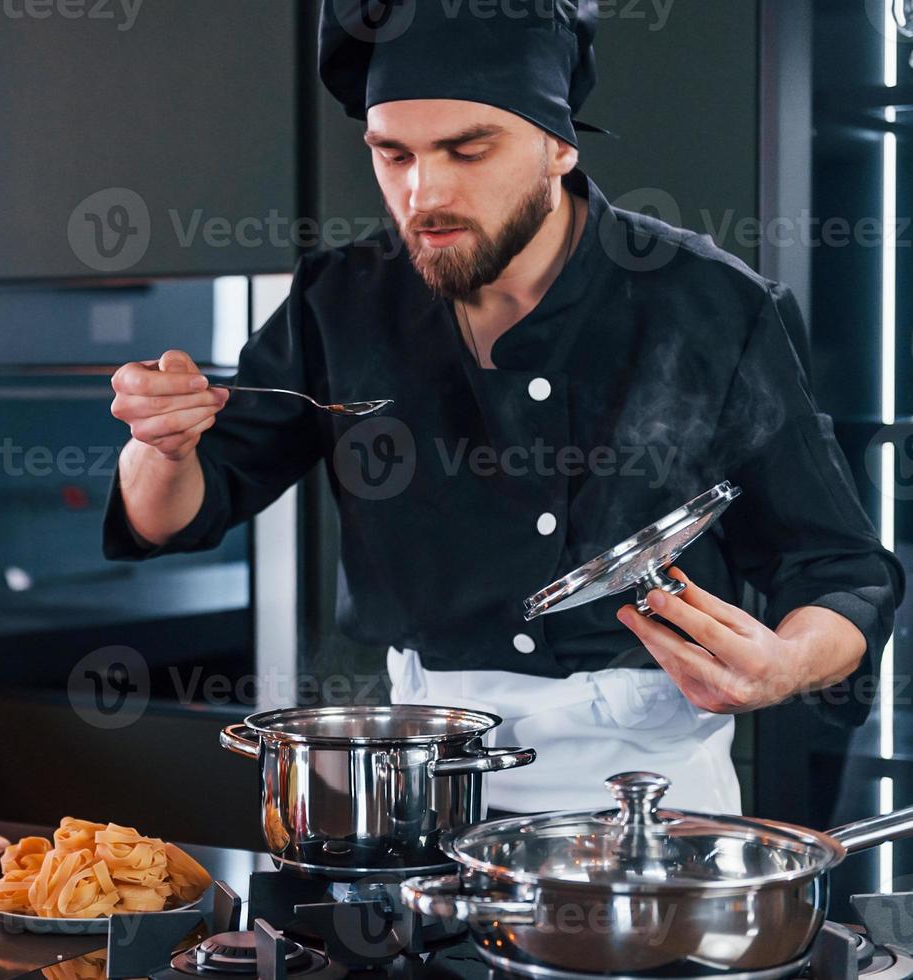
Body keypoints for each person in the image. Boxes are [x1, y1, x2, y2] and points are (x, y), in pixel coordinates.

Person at [103, 0, 904, 812]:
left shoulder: (711, 306)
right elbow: (177, 514)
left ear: (559, 143)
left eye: (468, 149)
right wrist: (159, 448)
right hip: (414, 774)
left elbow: (841, 571)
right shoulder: (339, 299)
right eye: (394, 155)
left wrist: (784, 664)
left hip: (646, 794)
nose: (424, 194)